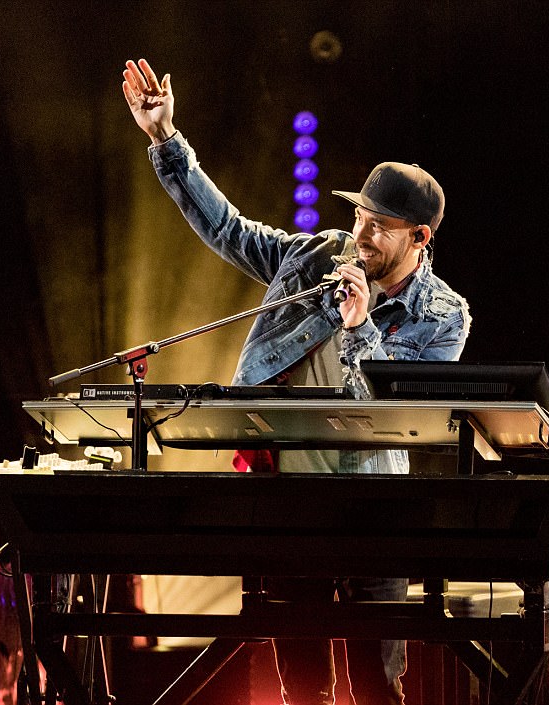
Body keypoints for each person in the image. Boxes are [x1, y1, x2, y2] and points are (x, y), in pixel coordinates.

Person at [122, 57, 470, 705]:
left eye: (379, 227)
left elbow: (402, 406)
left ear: (419, 237)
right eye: (360, 216)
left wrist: (359, 324)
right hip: (286, 497)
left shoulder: (444, 315)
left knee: (375, 683)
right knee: (300, 681)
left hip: (374, 510)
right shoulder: (315, 254)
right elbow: (227, 228)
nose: (360, 234)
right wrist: (165, 139)